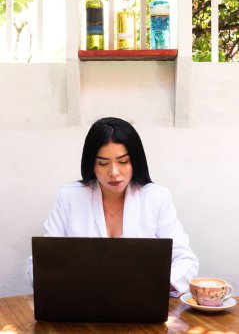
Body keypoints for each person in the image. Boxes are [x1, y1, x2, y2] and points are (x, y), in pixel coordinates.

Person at [28, 117, 199, 296]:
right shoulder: (69, 197)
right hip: (82, 305)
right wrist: (65, 281)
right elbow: (40, 262)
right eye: (103, 163)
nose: (114, 173)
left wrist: (153, 285)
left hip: (141, 303)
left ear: (135, 161)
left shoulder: (156, 197)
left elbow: (186, 260)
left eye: (123, 161)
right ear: (91, 164)